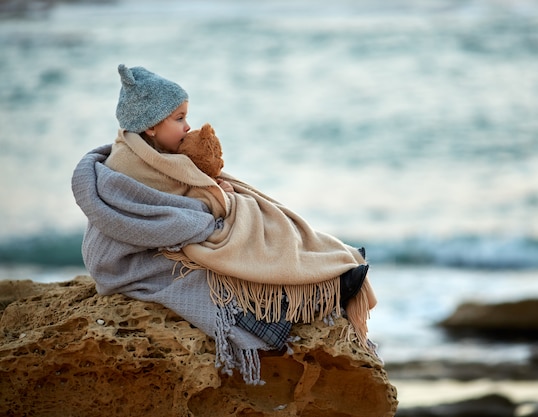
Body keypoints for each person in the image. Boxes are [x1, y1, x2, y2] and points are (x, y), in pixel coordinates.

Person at [71, 64, 377, 384]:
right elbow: (155, 219)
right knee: (212, 272)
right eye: (179, 119)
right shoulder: (128, 167)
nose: (188, 127)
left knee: (254, 214)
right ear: (150, 126)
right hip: (130, 262)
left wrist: (216, 196)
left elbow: (176, 201)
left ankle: (320, 259)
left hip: (156, 246)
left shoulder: (157, 155)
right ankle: (289, 304)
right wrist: (211, 205)